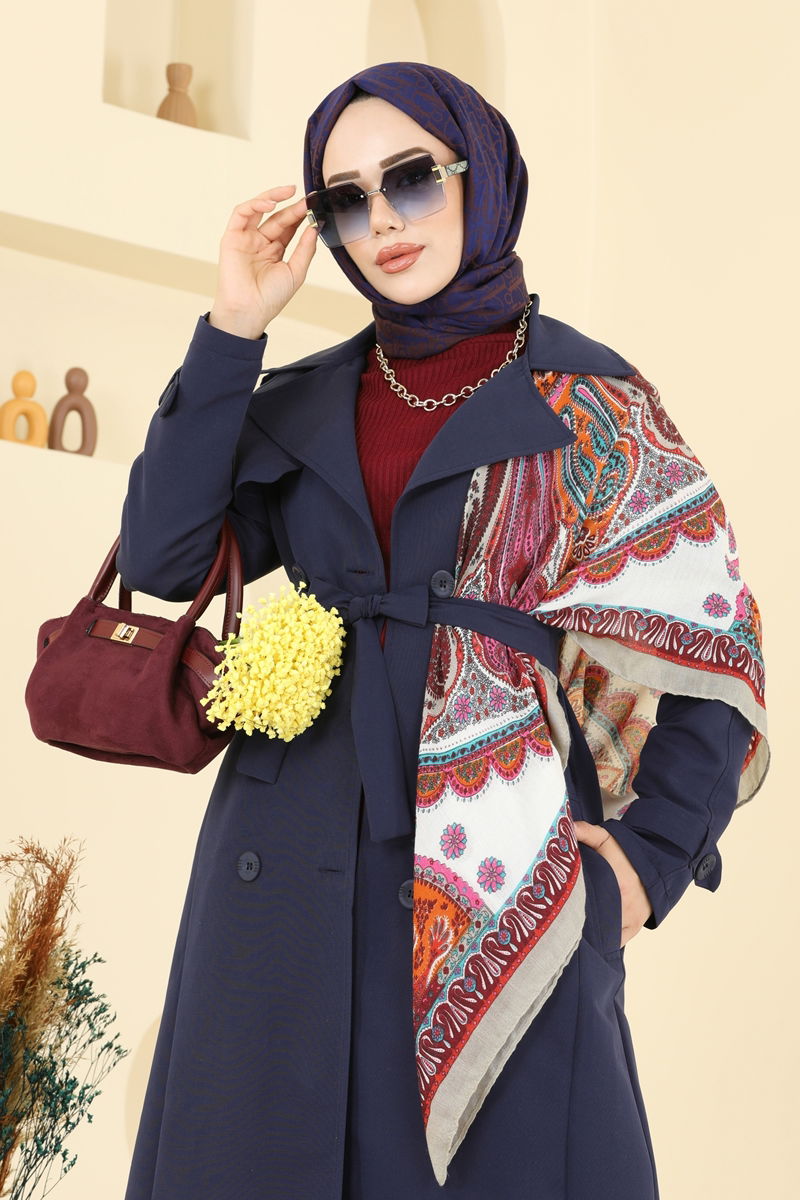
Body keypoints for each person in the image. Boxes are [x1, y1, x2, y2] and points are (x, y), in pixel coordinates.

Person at [118, 62, 767, 1200]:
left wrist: (646, 867)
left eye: (412, 179)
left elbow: (715, 655)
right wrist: (232, 329)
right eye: (345, 199)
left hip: (501, 879)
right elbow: (163, 558)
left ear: (483, 176)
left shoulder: (594, 403)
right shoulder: (303, 397)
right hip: (280, 876)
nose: (382, 221)